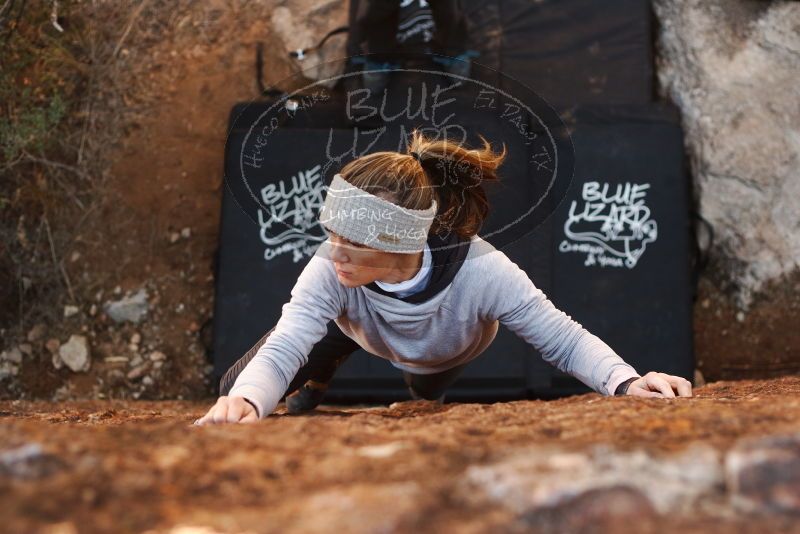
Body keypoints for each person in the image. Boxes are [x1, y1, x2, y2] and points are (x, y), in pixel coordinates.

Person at [194, 130, 692, 426]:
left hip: (445, 347)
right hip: (351, 328)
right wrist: (245, 403)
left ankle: (422, 390)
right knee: (238, 382)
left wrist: (627, 382)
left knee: (424, 391)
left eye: (353, 240)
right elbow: (285, 344)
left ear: (402, 242)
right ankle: (319, 378)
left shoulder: (482, 269)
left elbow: (561, 337)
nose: (333, 250)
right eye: (330, 232)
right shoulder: (332, 266)